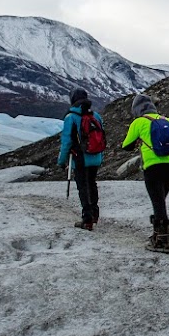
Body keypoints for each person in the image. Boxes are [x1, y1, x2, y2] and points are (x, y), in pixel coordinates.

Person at [121, 94, 169, 253]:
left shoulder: (139, 122)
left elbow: (126, 146)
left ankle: (162, 241)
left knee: (158, 202)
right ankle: (157, 235)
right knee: (160, 201)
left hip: (152, 167)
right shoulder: (167, 121)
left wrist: (138, 140)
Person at [57, 88, 105, 230]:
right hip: (95, 157)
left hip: (80, 158)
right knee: (92, 183)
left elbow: (66, 142)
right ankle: (95, 213)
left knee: (83, 187)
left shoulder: (70, 117)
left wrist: (61, 161)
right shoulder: (96, 116)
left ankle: (87, 219)